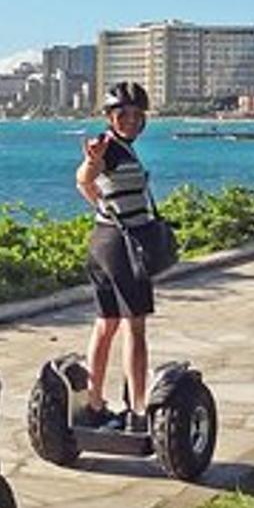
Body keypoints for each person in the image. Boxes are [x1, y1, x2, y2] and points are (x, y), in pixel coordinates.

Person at [75, 82, 161, 431]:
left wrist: (102, 207)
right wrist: (92, 163)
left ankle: (95, 404)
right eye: (122, 114)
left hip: (104, 240)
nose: (130, 120)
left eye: (137, 115)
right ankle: (139, 410)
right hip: (122, 247)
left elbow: (86, 186)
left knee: (106, 323)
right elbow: (84, 176)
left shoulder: (123, 148)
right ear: (111, 117)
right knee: (134, 327)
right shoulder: (109, 147)